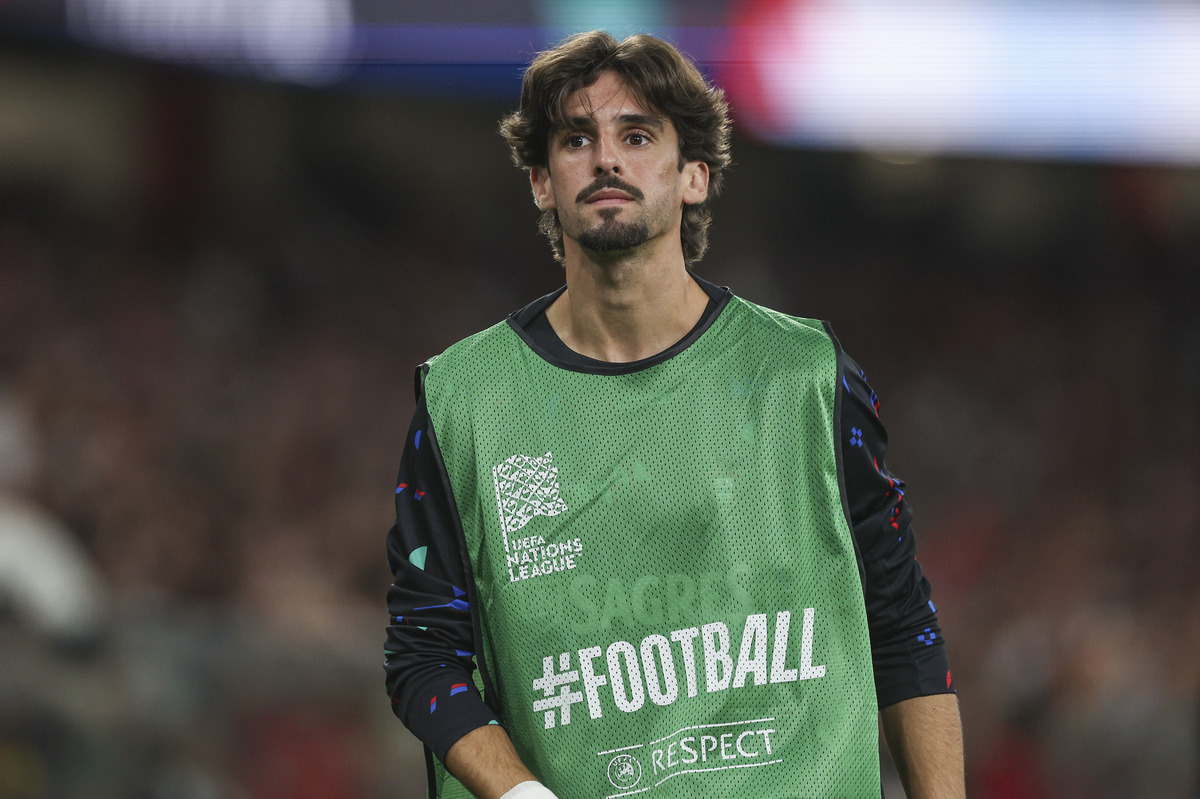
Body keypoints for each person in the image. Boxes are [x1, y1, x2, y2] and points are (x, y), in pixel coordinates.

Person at [384, 30, 964, 799]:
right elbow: (423, 656)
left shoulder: (806, 375)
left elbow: (900, 625)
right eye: (575, 139)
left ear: (694, 174)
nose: (605, 159)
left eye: (636, 135)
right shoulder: (465, 402)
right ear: (540, 181)